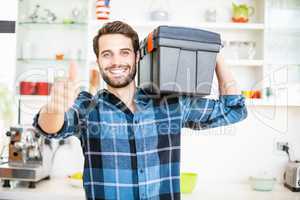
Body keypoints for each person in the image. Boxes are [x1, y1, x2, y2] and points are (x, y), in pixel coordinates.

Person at [33, 21, 247, 200]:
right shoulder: (88, 107)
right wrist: (54, 108)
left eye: (124, 53)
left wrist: (214, 51)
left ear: (136, 57)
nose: (116, 62)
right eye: (107, 54)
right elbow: (51, 128)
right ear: (98, 60)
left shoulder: (170, 103)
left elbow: (233, 109)